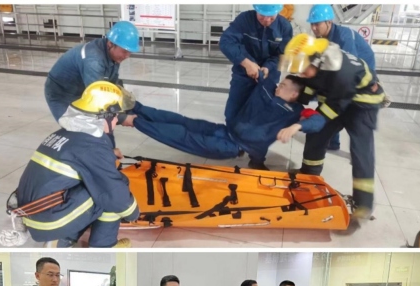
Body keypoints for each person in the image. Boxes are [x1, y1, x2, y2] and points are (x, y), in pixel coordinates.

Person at [13, 81, 139, 248]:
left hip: (33, 212)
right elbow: (113, 193)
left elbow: (78, 158)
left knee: (100, 186)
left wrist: (107, 154)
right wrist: (132, 213)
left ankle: (63, 238)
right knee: (112, 192)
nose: (117, 120)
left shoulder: (67, 133)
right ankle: (103, 246)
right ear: (105, 116)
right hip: (49, 220)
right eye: (115, 115)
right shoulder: (92, 146)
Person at [278, 33, 385, 221]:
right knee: (317, 136)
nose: (300, 73)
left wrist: (299, 125)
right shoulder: (317, 60)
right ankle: (309, 175)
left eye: (302, 69)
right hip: (338, 98)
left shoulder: (342, 74)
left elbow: (330, 110)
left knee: (361, 151)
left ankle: (363, 204)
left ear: (316, 62)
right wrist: (298, 96)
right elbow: (311, 82)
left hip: (363, 105)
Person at [120, 75, 324, 170]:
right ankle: (135, 106)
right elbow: (261, 71)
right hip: (224, 131)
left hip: (230, 146)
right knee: (182, 121)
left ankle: (134, 121)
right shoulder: (267, 88)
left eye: (283, 85)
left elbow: (318, 121)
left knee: (183, 136)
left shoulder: (296, 112)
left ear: (294, 94)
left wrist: (297, 125)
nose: (278, 87)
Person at [307, 4, 378, 151]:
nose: (313, 28)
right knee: (327, 103)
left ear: (329, 22)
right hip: (343, 72)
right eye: (312, 24)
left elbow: (347, 69)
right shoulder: (321, 38)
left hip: (360, 72)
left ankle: (359, 149)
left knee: (352, 112)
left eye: (317, 24)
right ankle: (332, 141)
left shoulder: (343, 37)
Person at [45, 21, 140, 123]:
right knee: (76, 128)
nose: (127, 56)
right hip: (62, 94)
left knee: (101, 126)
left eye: (130, 52)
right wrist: (122, 118)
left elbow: (112, 84)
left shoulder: (113, 54)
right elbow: (98, 97)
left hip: (82, 90)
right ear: (110, 44)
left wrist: (126, 107)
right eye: (124, 51)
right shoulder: (94, 61)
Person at [219, 5, 292, 136]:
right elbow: (226, 42)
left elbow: (282, 55)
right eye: (262, 15)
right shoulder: (244, 19)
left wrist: (268, 67)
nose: (266, 20)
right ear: (256, 10)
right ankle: (233, 138)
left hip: (269, 77)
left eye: (271, 16)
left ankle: (253, 141)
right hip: (243, 74)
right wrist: (246, 63)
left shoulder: (284, 27)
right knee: (233, 112)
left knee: (261, 114)